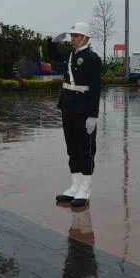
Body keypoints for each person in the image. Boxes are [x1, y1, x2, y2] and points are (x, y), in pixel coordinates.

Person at [47, 22, 102, 207]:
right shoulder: (69, 55)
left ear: (86, 38)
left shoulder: (92, 58)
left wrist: (93, 115)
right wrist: (52, 42)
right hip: (68, 107)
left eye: (77, 36)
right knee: (72, 148)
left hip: (84, 109)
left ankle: (84, 190)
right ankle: (74, 187)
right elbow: (53, 56)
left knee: (85, 149)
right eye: (72, 36)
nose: (73, 39)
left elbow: (95, 89)